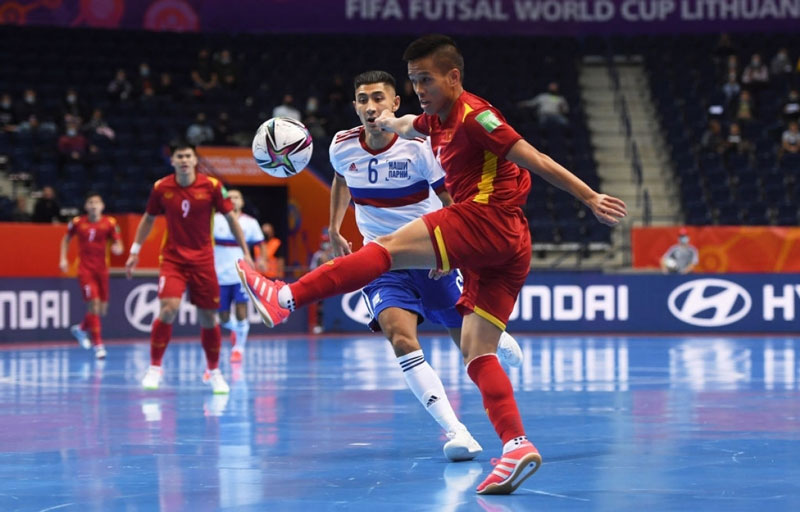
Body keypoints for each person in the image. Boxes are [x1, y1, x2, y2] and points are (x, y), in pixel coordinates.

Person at [236, 35, 627, 495]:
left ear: (453, 77)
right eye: (414, 81)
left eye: (426, 80)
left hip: (484, 218)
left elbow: (534, 158)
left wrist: (590, 197)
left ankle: (285, 297)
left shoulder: (477, 117)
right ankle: (516, 445)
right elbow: (408, 123)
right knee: (477, 352)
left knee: (384, 249)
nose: (419, 89)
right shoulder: (428, 120)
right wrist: (388, 120)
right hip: (509, 245)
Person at [325, 69, 525, 461]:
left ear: (395, 103)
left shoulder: (419, 147)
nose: (371, 107)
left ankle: (494, 337)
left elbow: (451, 201)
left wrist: (453, 249)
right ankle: (457, 431)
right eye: (363, 100)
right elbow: (341, 178)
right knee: (400, 338)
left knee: (468, 345)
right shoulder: (341, 145)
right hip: (381, 259)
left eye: (379, 98)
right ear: (355, 106)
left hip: (429, 252)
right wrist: (334, 228)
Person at [125, 141, 253, 394]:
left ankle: (214, 372)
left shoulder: (212, 186)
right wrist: (134, 251)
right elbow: (148, 219)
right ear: (172, 161)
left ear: (195, 161)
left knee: (208, 317)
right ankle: (154, 367)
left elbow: (231, 220)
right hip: (173, 260)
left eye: (188, 156)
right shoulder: (161, 188)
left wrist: (246, 252)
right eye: (179, 156)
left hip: (203, 261)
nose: (184, 160)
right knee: (168, 308)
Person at [59, 192, 123, 359]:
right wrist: (63, 259)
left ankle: (80, 329)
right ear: (86, 206)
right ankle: (99, 346)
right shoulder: (78, 223)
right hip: (85, 270)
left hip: (102, 270)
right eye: (90, 202)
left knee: (101, 309)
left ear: (102, 206)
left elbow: (119, 243)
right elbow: (66, 239)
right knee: (93, 304)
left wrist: (118, 249)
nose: (94, 205)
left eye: (97, 202)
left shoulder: (109, 223)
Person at [212, 189, 265, 363]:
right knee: (223, 317)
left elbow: (260, 243)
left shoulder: (250, 222)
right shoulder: (215, 219)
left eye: (236, 197)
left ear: (242, 202)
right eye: (230, 197)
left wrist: (262, 260)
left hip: (241, 273)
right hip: (219, 274)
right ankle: (237, 329)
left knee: (242, 311)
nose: (233, 200)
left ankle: (238, 348)